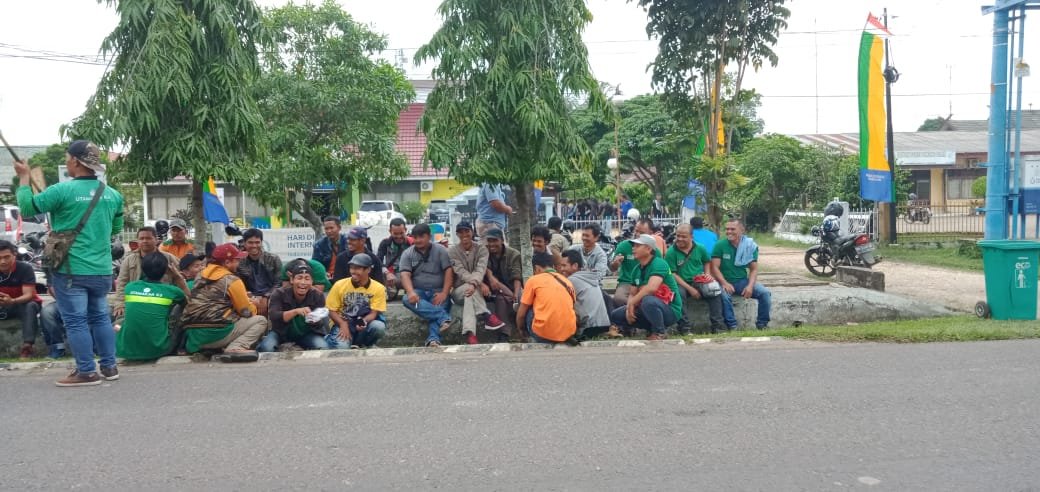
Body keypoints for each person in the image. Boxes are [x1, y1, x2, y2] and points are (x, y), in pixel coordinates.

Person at [15, 140, 125, 386]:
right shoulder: (113, 195)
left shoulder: (61, 190)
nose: (66, 162)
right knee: (100, 318)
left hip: (71, 269)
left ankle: (86, 371)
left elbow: (27, 208)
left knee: (76, 321)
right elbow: (115, 228)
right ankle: (109, 367)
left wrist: (23, 178)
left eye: (67, 158)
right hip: (102, 269)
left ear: (75, 160)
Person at [182, 243, 269, 356]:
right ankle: (236, 347)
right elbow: (246, 312)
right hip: (216, 334)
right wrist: (254, 304)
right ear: (227, 262)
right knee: (260, 321)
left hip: (194, 338)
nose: (239, 263)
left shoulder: (200, 275)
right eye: (236, 260)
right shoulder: (232, 280)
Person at [116, 252, 190, 360]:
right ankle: (181, 347)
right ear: (166, 270)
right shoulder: (172, 291)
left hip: (125, 350)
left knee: (121, 321)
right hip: (158, 349)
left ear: (143, 269)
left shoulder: (130, 287)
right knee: (180, 308)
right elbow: (190, 303)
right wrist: (178, 277)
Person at [609, 234, 683, 341]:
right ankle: (649, 329)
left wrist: (632, 303)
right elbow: (632, 293)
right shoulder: (636, 269)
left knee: (648, 301)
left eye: (637, 246)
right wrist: (629, 308)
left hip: (670, 310)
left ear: (648, 249)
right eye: (633, 246)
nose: (633, 248)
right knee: (616, 315)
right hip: (648, 306)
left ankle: (660, 332)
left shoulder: (660, 263)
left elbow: (651, 288)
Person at [111, 226, 188, 322]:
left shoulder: (169, 258)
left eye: (148, 238)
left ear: (156, 240)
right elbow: (122, 283)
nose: (145, 241)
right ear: (137, 241)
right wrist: (119, 304)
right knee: (118, 323)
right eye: (141, 238)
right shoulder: (129, 260)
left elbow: (182, 277)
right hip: (136, 302)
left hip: (163, 303)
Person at [448, 222, 505, 344]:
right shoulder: (452, 251)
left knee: (469, 294)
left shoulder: (481, 249)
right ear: (457, 234)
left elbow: (481, 269)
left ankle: (470, 334)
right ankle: (486, 314)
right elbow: (461, 272)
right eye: (460, 232)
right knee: (469, 289)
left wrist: (474, 284)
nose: (464, 234)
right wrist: (478, 284)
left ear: (472, 232)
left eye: (466, 231)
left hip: (473, 291)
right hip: (458, 291)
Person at [398, 224, 454, 347]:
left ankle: (433, 339)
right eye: (415, 237)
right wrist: (411, 292)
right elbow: (404, 275)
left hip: (438, 291)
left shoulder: (441, 250)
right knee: (406, 299)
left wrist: (445, 293)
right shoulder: (407, 253)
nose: (418, 240)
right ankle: (443, 317)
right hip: (419, 293)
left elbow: (448, 271)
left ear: (429, 236)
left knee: (439, 304)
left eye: (421, 237)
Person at [712, 219, 771, 330]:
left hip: (741, 281)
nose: (729, 232)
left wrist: (750, 286)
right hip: (722, 281)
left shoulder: (749, 246)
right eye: (727, 229)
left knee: (765, 293)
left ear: (741, 230)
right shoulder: (720, 245)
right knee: (724, 297)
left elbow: (753, 269)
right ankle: (732, 326)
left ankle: (762, 324)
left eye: (732, 229)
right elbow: (714, 267)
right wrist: (724, 283)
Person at [258, 262, 330, 352]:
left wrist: (314, 318)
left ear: (312, 281)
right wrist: (296, 311)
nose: (303, 282)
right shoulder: (279, 293)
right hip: (281, 333)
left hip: (307, 333)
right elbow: (274, 316)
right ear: (292, 280)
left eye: (307, 279)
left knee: (323, 348)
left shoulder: (318, 295)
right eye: (299, 278)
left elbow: (319, 324)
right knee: (266, 348)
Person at [666, 224, 724, 334]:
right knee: (678, 294)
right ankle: (684, 328)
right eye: (678, 236)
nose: (680, 239)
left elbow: (706, 261)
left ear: (691, 237)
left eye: (684, 236)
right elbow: (672, 274)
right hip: (680, 282)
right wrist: (690, 289)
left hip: (698, 280)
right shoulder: (671, 252)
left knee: (714, 290)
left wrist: (707, 274)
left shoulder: (700, 248)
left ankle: (718, 326)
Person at [326, 255, 387, 349]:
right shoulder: (339, 285)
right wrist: (342, 324)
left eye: (357, 268)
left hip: (362, 322)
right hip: (342, 322)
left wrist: (363, 321)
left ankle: (365, 345)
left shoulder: (379, 288)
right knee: (342, 348)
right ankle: (330, 339)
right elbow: (331, 310)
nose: (353, 271)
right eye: (351, 268)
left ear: (368, 270)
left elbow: (373, 313)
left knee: (379, 326)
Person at [515, 251, 576, 344]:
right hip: (568, 334)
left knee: (528, 306)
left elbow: (521, 314)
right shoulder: (567, 281)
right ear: (553, 266)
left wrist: (520, 330)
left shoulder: (533, 280)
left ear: (537, 268)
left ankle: (530, 337)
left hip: (542, 335)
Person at [0, 240, 43, 359]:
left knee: (30, 306)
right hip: (3, 306)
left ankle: (27, 346)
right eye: (0, 258)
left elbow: (29, 295)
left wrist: (12, 301)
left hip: (22, 304)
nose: (3, 261)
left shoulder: (25, 268)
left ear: (14, 254)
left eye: (6, 257)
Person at [559, 250, 610, 339]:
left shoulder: (571, 280)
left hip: (588, 329)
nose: (561, 269)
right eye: (560, 266)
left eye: (564, 266)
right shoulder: (588, 277)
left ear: (575, 266)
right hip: (603, 325)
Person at [483, 228, 522, 342]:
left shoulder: (513, 254)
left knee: (513, 297)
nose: (491, 244)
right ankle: (505, 333)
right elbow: (485, 269)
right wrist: (491, 278)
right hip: (491, 288)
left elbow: (517, 276)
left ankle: (509, 333)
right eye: (489, 241)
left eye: (495, 240)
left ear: (502, 240)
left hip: (509, 286)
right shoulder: (485, 253)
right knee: (500, 297)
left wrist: (515, 293)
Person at [237, 228, 283, 316]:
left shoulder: (273, 259)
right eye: (250, 242)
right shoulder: (240, 262)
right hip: (250, 297)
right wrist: (250, 297)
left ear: (261, 243)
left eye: (257, 242)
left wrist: (266, 297)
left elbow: (279, 282)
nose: (254, 245)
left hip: (271, 295)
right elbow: (238, 283)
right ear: (245, 243)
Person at [376, 217, 413, 293]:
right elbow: (378, 260)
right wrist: (387, 273)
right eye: (395, 234)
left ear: (405, 230)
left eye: (401, 233)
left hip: (409, 275)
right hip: (391, 275)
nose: (399, 236)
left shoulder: (412, 243)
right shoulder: (385, 243)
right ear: (390, 231)